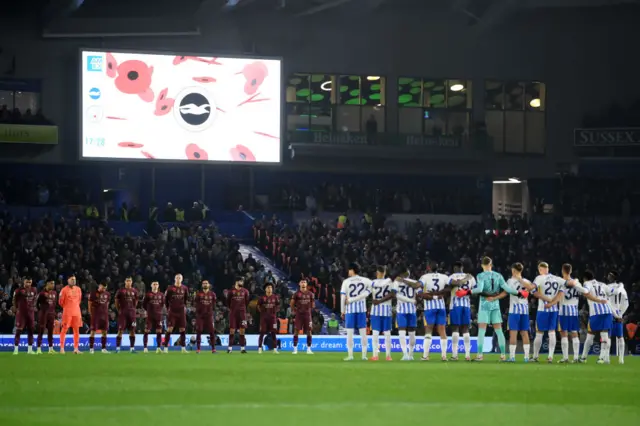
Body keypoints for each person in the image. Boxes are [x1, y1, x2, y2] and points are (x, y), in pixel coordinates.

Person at [469, 257, 518, 361]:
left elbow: (480, 289)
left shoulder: (480, 275)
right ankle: (503, 355)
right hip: (495, 304)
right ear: (491, 264)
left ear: (482, 265)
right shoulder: (498, 275)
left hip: (484, 304)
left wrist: (468, 291)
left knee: (482, 330)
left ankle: (480, 355)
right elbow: (508, 289)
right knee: (499, 331)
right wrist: (519, 293)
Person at [531, 262, 565, 362]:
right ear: (548, 268)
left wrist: (547, 300)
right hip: (554, 309)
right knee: (552, 332)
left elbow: (534, 292)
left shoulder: (539, 278)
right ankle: (550, 356)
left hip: (543, 308)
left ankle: (535, 356)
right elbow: (561, 293)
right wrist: (553, 302)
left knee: (539, 332)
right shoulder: (556, 278)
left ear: (540, 270)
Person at [579, 270, 615, 364]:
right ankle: (602, 358)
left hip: (595, 312)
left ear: (584, 278)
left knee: (590, 335)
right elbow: (611, 292)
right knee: (604, 334)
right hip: (607, 311)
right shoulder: (602, 284)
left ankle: (583, 357)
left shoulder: (587, 283)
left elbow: (586, 293)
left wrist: (596, 299)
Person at [555, 264, 588, 363]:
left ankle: (565, 358)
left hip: (563, 311)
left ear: (562, 271)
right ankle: (576, 357)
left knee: (564, 334)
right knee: (574, 333)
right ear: (571, 271)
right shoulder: (576, 283)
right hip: (573, 311)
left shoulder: (560, 282)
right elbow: (585, 291)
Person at [419, 263, 452, 361]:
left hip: (429, 307)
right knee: (442, 331)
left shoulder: (424, 277)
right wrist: (440, 293)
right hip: (441, 306)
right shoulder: (444, 276)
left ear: (428, 268)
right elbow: (451, 286)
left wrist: (430, 294)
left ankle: (425, 356)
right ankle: (444, 356)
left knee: (429, 330)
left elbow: (419, 289)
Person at [340, 263, 372, 361]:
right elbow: (372, 288)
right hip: (362, 310)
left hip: (350, 310)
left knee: (350, 333)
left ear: (352, 270)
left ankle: (350, 355)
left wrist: (342, 311)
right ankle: (364, 356)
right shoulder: (366, 280)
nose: (348, 271)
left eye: (349, 269)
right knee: (363, 333)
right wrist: (365, 294)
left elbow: (342, 297)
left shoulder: (346, 281)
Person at [505, 263, 534, 362]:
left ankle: (512, 357)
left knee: (513, 333)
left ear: (513, 270)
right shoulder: (526, 281)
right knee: (524, 333)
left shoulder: (510, 281)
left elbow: (507, 291)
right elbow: (530, 288)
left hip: (514, 311)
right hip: (524, 310)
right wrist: (521, 280)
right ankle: (526, 357)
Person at [448, 261, 476, 361]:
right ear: (462, 267)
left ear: (455, 268)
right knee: (466, 329)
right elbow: (475, 292)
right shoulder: (471, 277)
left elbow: (453, 285)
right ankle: (467, 355)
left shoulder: (451, 276)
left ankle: (455, 355)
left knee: (455, 328)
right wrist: (467, 290)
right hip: (467, 305)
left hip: (455, 305)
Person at [393, 265, 421, 361]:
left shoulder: (396, 282)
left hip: (401, 310)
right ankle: (410, 354)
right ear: (405, 273)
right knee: (412, 333)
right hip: (412, 310)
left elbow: (395, 294)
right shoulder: (414, 282)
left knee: (402, 332)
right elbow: (420, 294)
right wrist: (413, 301)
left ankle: (405, 354)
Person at [369, 265, 394, 361]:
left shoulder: (373, 282)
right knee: (387, 333)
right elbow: (392, 294)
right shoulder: (389, 282)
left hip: (375, 310)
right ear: (385, 273)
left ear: (377, 273)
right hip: (387, 310)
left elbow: (369, 294)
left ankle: (375, 355)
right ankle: (388, 356)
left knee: (375, 333)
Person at [164, 273, 190, 353]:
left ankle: (183, 348)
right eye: (177, 278)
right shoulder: (170, 288)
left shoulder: (185, 288)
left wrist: (183, 307)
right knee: (169, 329)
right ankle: (165, 348)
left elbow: (186, 299)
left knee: (182, 329)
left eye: (180, 278)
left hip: (181, 312)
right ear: (175, 279)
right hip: (172, 312)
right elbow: (166, 299)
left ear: (182, 279)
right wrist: (168, 308)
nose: (178, 279)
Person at [607, 271, 629, 364]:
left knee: (607, 337)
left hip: (610, 315)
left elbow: (606, 302)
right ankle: (621, 359)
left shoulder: (608, 288)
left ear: (613, 277)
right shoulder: (622, 288)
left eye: (609, 275)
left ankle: (607, 358)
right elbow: (626, 303)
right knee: (620, 337)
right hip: (619, 315)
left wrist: (615, 314)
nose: (608, 276)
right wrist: (620, 313)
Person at [12, 277, 37, 355]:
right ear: (24, 282)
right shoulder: (18, 290)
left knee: (31, 331)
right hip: (21, 314)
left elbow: (35, 299)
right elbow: (14, 300)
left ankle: (29, 350)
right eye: (27, 282)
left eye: (30, 282)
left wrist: (34, 307)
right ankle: (16, 350)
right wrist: (16, 309)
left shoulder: (34, 290)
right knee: (18, 331)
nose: (28, 284)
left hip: (31, 314)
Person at [59, 274, 83, 354]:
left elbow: (79, 300)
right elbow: (60, 302)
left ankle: (76, 349)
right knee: (64, 329)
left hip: (77, 313)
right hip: (67, 313)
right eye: (72, 279)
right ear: (68, 280)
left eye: (74, 279)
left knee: (76, 331)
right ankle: (62, 348)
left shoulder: (78, 289)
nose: (74, 281)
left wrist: (74, 307)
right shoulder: (64, 290)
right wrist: (67, 307)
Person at [115, 276, 139, 353]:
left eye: (130, 281)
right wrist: (119, 310)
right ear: (125, 282)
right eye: (127, 281)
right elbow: (116, 301)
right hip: (123, 313)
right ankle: (118, 348)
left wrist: (133, 309)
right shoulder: (120, 291)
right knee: (120, 330)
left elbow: (136, 301)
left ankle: (132, 348)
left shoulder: (134, 291)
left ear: (132, 282)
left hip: (132, 314)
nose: (128, 282)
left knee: (132, 331)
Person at [291, 279, 315, 355]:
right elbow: (291, 303)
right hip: (299, 315)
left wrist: (310, 308)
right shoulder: (296, 294)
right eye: (302, 282)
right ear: (299, 284)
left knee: (309, 331)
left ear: (307, 284)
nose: (303, 283)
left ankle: (308, 349)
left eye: (304, 282)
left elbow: (313, 304)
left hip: (307, 315)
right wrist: (294, 310)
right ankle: (295, 349)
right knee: (296, 331)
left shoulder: (311, 294)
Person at [227, 276, 250, 354]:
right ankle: (230, 348)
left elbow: (247, 302)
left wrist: (242, 309)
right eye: (241, 281)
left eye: (242, 281)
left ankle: (242, 348)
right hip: (233, 313)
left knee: (242, 330)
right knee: (232, 330)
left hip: (242, 314)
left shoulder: (245, 291)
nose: (242, 283)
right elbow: (228, 302)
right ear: (236, 282)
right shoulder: (231, 291)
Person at [194, 279, 216, 354]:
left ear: (209, 285)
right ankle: (198, 349)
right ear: (202, 285)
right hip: (200, 316)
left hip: (209, 316)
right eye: (203, 283)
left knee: (212, 332)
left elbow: (214, 305)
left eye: (206, 283)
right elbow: (195, 304)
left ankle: (213, 349)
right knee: (199, 331)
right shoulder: (198, 294)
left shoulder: (212, 294)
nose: (205, 284)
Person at [88, 282, 111, 354]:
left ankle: (103, 349)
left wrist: (106, 312)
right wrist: (90, 313)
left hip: (104, 315)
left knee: (104, 332)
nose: (104, 289)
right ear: (99, 286)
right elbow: (89, 304)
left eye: (105, 288)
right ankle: (91, 349)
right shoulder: (93, 293)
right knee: (93, 331)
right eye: (103, 287)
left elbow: (107, 304)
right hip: (96, 315)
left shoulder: (107, 294)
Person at [257, 282, 280, 354]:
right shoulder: (261, 298)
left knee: (274, 333)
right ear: (265, 289)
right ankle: (260, 348)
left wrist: (275, 311)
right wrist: (262, 312)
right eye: (268, 287)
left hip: (273, 318)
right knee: (262, 332)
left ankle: (275, 349)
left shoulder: (275, 297)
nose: (269, 289)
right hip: (264, 318)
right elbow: (258, 306)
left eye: (271, 287)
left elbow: (278, 306)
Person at [143, 281, 165, 354]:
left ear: (158, 286)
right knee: (146, 331)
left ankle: (158, 348)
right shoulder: (148, 294)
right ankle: (145, 348)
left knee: (159, 331)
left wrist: (158, 311)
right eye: (154, 284)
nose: (155, 286)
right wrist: (149, 311)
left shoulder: (161, 295)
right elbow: (144, 305)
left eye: (156, 284)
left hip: (158, 316)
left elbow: (162, 304)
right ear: (151, 285)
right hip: (150, 316)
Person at [36, 279, 57, 354]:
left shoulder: (55, 293)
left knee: (51, 332)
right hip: (43, 314)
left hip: (51, 315)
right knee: (41, 331)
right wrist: (41, 311)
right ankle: (38, 349)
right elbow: (37, 304)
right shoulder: (42, 293)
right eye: (51, 283)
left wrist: (53, 312)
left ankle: (50, 349)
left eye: (53, 283)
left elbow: (54, 304)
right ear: (47, 284)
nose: (53, 285)